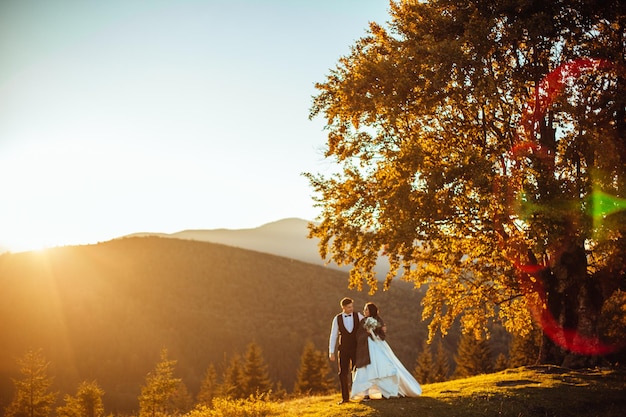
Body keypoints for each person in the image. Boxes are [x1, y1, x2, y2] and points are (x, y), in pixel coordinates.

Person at [350, 302, 422, 401]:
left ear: (371, 310)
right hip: (365, 349)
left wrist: (373, 333)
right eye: (364, 309)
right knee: (365, 370)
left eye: (366, 309)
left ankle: (387, 391)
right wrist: (367, 333)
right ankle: (366, 394)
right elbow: (358, 335)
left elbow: (382, 334)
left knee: (383, 368)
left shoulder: (379, 320)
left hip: (377, 347)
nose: (364, 311)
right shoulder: (363, 321)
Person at [328, 297, 364, 404]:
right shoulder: (337, 318)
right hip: (343, 349)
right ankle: (345, 398)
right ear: (343, 308)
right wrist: (331, 351)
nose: (351, 309)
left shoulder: (358, 316)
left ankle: (360, 394)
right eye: (349, 307)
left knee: (358, 371)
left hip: (356, 349)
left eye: (352, 306)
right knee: (343, 373)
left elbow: (367, 325)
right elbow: (333, 335)